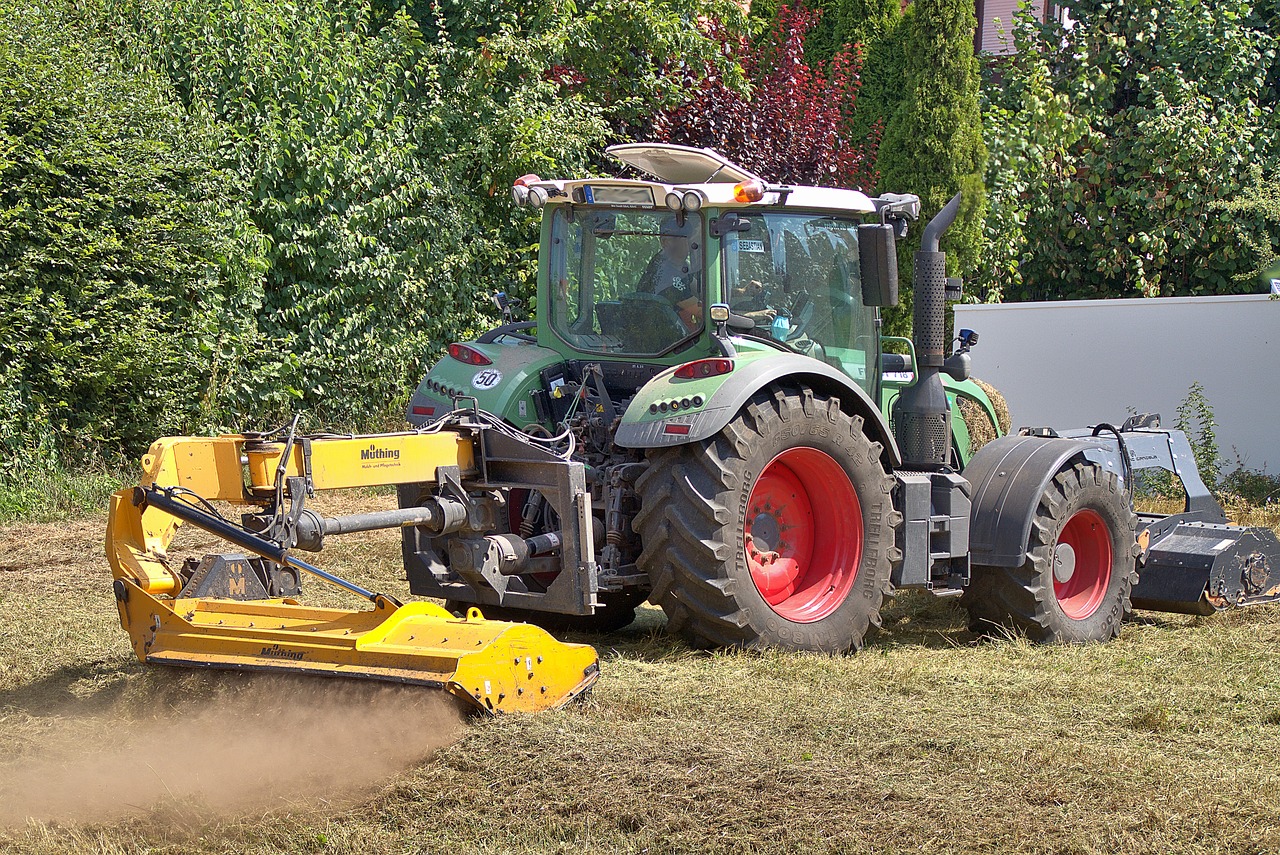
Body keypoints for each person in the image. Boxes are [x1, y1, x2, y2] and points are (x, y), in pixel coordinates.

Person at [638, 215, 702, 330]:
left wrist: (737, 292)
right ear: (666, 242)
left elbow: (697, 287)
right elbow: (700, 311)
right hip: (669, 339)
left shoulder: (679, 266)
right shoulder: (667, 274)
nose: (691, 243)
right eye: (687, 238)